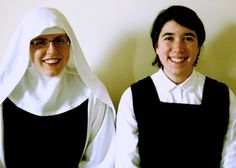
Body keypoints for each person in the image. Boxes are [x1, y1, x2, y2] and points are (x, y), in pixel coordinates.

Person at [115, 5, 236, 168]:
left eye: (188, 38)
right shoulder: (133, 96)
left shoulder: (223, 96)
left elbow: (231, 158)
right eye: (169, 38)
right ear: (156, 46)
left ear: (199, 46)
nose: (178, 48)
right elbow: (126, 161)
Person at [0, 7, 116, 168]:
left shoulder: (92, 94)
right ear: (26, 46)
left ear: (70, 43)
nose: (52, 50)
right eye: (40, 42)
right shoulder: (4, 93)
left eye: (59, 40)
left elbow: (102, 160)